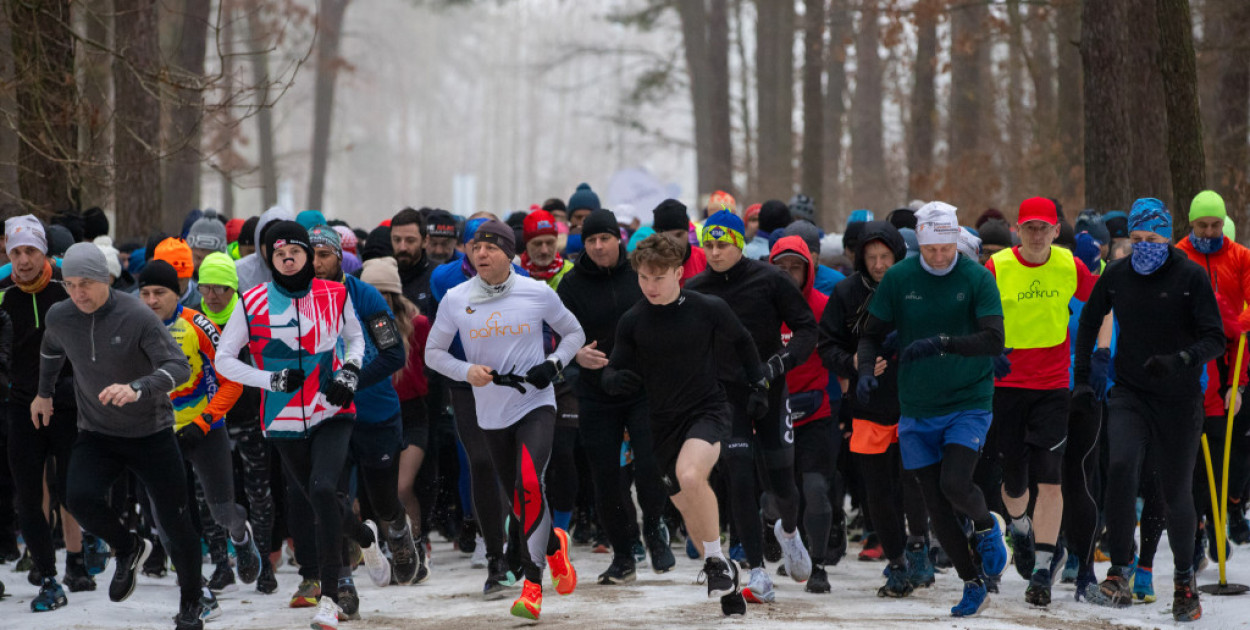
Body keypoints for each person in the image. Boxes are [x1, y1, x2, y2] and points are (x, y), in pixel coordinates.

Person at [215, 221, 387, 630]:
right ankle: (364, 537)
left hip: (331, 409)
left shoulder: (335, 293)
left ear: (308, 256)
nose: (287, 258)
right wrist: (267, 381)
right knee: (319, 501)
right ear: (269, 259)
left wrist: (348, 374)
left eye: (295, 251)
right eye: (278, 253)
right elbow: (225, 359)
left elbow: (358, 340)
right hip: (283, 418)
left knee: (324, 489)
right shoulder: (252, 301)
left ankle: (329, 598)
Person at [854, 201, 1010, 618]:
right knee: (935, 507)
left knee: (955, 484)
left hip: (968, 399)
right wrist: (866, 371)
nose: (940, 257)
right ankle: (973, 581)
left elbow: (994, 340)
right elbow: (870, 335)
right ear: (919, 244)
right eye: (931, 249)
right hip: (917, 406)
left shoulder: (976, 277)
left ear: (956, 241)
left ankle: (985, 524)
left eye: (946, 248)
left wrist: (943, 343)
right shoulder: (900, 278)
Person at [1074, 198, 1225, 621]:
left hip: (1178, 398)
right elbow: (1089, 321)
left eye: (1154, 239)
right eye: (1137, 239)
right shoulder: (1118, 274)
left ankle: (1182, 581)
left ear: (1168, 237)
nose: (1145, 247)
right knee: (1121, 466)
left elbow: (1215, 338)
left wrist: (1180, 360)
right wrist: (1084, 376)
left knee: (1176, 489)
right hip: (1131, 393)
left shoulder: (1190, 276)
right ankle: (1119, 572)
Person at [37, 243, 202, 629]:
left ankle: (191, 604)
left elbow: (179, 368)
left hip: (152, 433)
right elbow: (50, 350)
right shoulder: (61, 316)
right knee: (76, 496)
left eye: (87, 283)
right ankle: (127, 547)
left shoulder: (137, 315)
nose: (78, 292)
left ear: (106, 280)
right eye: (71, 284)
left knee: (177, 522)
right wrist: (43, 394)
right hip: (97, 432)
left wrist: (139, 387)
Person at [426, 219, 584, 620]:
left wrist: (552, 364)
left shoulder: (537, 292)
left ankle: (532, 584)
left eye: (491, 248)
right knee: (519, 499)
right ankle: (554, 548)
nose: (481, 254)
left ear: (510, 253)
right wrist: (465, 372)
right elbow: (433, 353)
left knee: (529, 482)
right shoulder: (455, 298)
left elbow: (574, 334)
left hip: (535, 403)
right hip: (490, 413)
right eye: (475, 248)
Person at [601, 233, 764, 610]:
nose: (650, 286)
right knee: (687, 506)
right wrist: (612, 380)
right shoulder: (633, 320)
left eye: (659, 278)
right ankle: (724, 574)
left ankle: (714, 563)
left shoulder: (708, 308)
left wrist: (759, 383)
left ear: (679, 274)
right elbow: (615, 366)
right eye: (643, 278)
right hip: (661, 424)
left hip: (707, 410)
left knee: (692, 476)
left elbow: (742, 341)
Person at [686, 210, 816, 604]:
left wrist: (778, 363)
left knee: (782, 484)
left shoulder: (771, 279)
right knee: (738, 477)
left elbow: (807, 329)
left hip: (771, 388)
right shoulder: (696, 288)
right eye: (707, 244)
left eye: (722, 244)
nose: (713, 252)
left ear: (740, 243)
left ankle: (789, 532)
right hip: (726, 396)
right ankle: (758, 571)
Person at [984, 197, 1100, 606]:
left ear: (1055, 231)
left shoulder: (1070, 265)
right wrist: (987, 348)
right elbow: (975, 311)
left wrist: (1096, 357)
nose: (1036, 235)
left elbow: (1101, 303)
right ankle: (1019, 526)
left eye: (1044, 228)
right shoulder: (998, 267)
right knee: (1015, 482)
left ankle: (1041, 573)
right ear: (1017, 230)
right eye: (1029, 228)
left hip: (1053, 386)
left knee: (1051, 477)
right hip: (1008, 384)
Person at [557, 209, 674, 584]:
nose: (597, 246)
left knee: (650, 465)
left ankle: (655, 526)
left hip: (643, 387)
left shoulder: (637, 275)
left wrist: (641, 369)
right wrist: (580, 358)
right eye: (590, 240)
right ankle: (624, 554)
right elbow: (563, 339)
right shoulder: (571, 286)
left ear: (618, 238)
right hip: (595, 391)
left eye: (604, 238)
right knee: (606, 478)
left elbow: (663, 321)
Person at [819, 220, 934, 598]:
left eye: (886, 256)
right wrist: (852, 363)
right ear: (860, 259)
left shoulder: (916, 287)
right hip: (867, 403)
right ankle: (897, 562)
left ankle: (919, 546)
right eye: (871, 257)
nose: (880, 264)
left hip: (915, 400)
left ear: (899, 255)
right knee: (877, 490)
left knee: (914, 480)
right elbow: (827, 345)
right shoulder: (845, 292)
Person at [136, 260, 262, 596]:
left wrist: (205, 420)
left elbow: (232, 381)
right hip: (158, 434)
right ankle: (190, 582)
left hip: (204, 430)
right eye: (144, 293)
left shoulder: (198, 324)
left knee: (221, 512)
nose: (151, 301)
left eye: (159, 293)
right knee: (164, 515)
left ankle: (240, 536)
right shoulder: (132, 327)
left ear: (177, 293)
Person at [309, 225, 419, 598]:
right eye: (311, 255)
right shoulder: (298, 301)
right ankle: (342, 582)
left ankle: (398, 530)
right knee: (331, 498)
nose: (317, 263)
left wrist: (351, 381)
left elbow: (393, 354)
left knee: (383, 499)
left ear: (340, 258)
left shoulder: (366, 296)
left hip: (375, 414)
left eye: (324, 254)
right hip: (327, 418)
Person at [0, 216, 88, 611]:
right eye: (15, 252)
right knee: (29, 496)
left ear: (44, 252)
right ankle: (48, 575)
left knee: (71, 490)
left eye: (30, 251)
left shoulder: (66, 289)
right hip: (20, 406)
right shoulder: (3, 293)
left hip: (68, 404)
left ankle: (78, 560)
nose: (22, 260)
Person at [196, 251, 279, 593]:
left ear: (234, 289)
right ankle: (220, 564)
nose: (213, 295)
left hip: (250, 420)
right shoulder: (193, 322)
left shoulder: (253, 319)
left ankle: (263, 564)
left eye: (221, 288)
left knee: (259, 493)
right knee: (206, 497)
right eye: (206, 288)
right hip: (208, 423)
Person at [1174, 190, 1250, 561]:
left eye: (1215, 224)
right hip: (1188, 364)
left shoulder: (1240, 257)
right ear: (1191, 223)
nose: (1209, 231)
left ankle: (1219, 518)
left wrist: (1231, 325)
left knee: (1222, 457)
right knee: (1188, 458)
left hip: (1229, 364)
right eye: (1202, 224)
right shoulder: (1178, 256)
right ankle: (1199, 529)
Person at [767, 234, 841, 594]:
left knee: (815, 488)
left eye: (795, 267)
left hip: (815, 411)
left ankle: (820, 563)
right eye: (780, 268)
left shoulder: (823, 305)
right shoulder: (760, 305)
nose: (788, 274)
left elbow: (839, 353)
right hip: (770, 412)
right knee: (777, 496)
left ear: (809, 270)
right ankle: (783, 540)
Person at [392, 207, 438, 318]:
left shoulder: (437, 277)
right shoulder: (383, 277)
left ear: (425, 241)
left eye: (410, 240)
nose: (402, 247)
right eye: (397, 240)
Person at [651, 199, 706, 285]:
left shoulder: (705, 259)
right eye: (667, 238)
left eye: (679, 235)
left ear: (688, 232)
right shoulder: (647, 265)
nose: (674, 243)